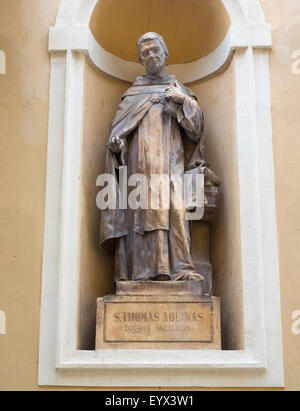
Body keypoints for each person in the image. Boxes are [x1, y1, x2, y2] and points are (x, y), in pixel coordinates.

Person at [100, 32, 207, 281]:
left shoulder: (179, 90)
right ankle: (140, 274)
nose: (151, 55)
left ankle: (181, 269)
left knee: (176, 212)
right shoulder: (133, 95)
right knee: (140, 215)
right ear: (140, 59)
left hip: (172, 165)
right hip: (139, 168)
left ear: (165, 52)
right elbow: (119, 133)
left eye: (155, 49)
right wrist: (118, 148)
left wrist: (183, 102)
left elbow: (196, 130)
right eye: (145, 52)